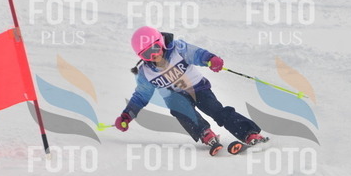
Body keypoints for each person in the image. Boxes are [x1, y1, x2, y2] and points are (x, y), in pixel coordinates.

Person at [114, 26, 267, 150]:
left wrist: (211, 59)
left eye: (155, 48)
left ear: (161, 42)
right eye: (147, 54)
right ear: (141, 57)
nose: (153, 55)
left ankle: (248, 133)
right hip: (177, 97)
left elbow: (197, 54)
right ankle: (205, 133)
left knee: (216, 110)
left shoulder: (177, 49)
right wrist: (127, 115)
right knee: (179, 109)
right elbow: (141, 96)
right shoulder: (146, 73)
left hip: (198, 88)